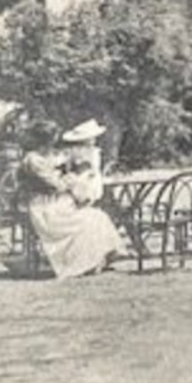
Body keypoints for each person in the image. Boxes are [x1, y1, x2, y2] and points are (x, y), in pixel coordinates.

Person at [18, 119, 121, 279]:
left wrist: (70, 171)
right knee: (90, 219)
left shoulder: (46, 156)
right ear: (44, 141)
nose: (53, 144)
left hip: (55, 203)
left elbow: (59, 171)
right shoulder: (34, 160)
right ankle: (80, 263)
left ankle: (97, 259)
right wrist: (73, 176)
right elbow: (56, 185)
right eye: (51, 140)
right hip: (44, 208)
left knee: (97, 216)